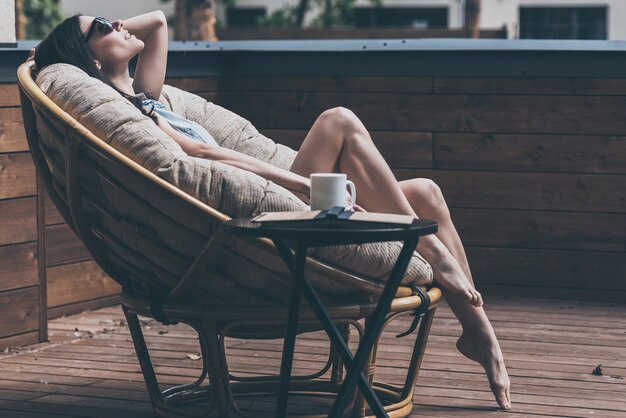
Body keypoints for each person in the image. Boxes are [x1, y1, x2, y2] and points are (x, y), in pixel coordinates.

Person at [32, 12, 511, 410]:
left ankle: (476, 330)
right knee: (337, 121)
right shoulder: (137, 113)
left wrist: (84, 38)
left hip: (269, 194)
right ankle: (432, 251)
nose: (118, 21)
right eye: (101, 24)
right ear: (91, 56)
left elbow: (157, 21)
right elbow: (205, 157)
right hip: (263, 214)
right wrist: (301, 183)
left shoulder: (147, 94)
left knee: (426, 191)